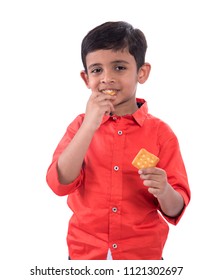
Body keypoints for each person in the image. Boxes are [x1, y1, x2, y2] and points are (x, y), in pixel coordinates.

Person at [46, 21, 191, 260]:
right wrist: (90, 125)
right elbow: (59, 183)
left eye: (120, 67)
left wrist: (164, 190)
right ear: (86, 78)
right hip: (85, 254)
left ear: (141, 73)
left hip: (143, 257)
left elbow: (175, 208)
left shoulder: (161, 133)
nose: (107, 78)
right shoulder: (79, 127)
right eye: (97, 70)